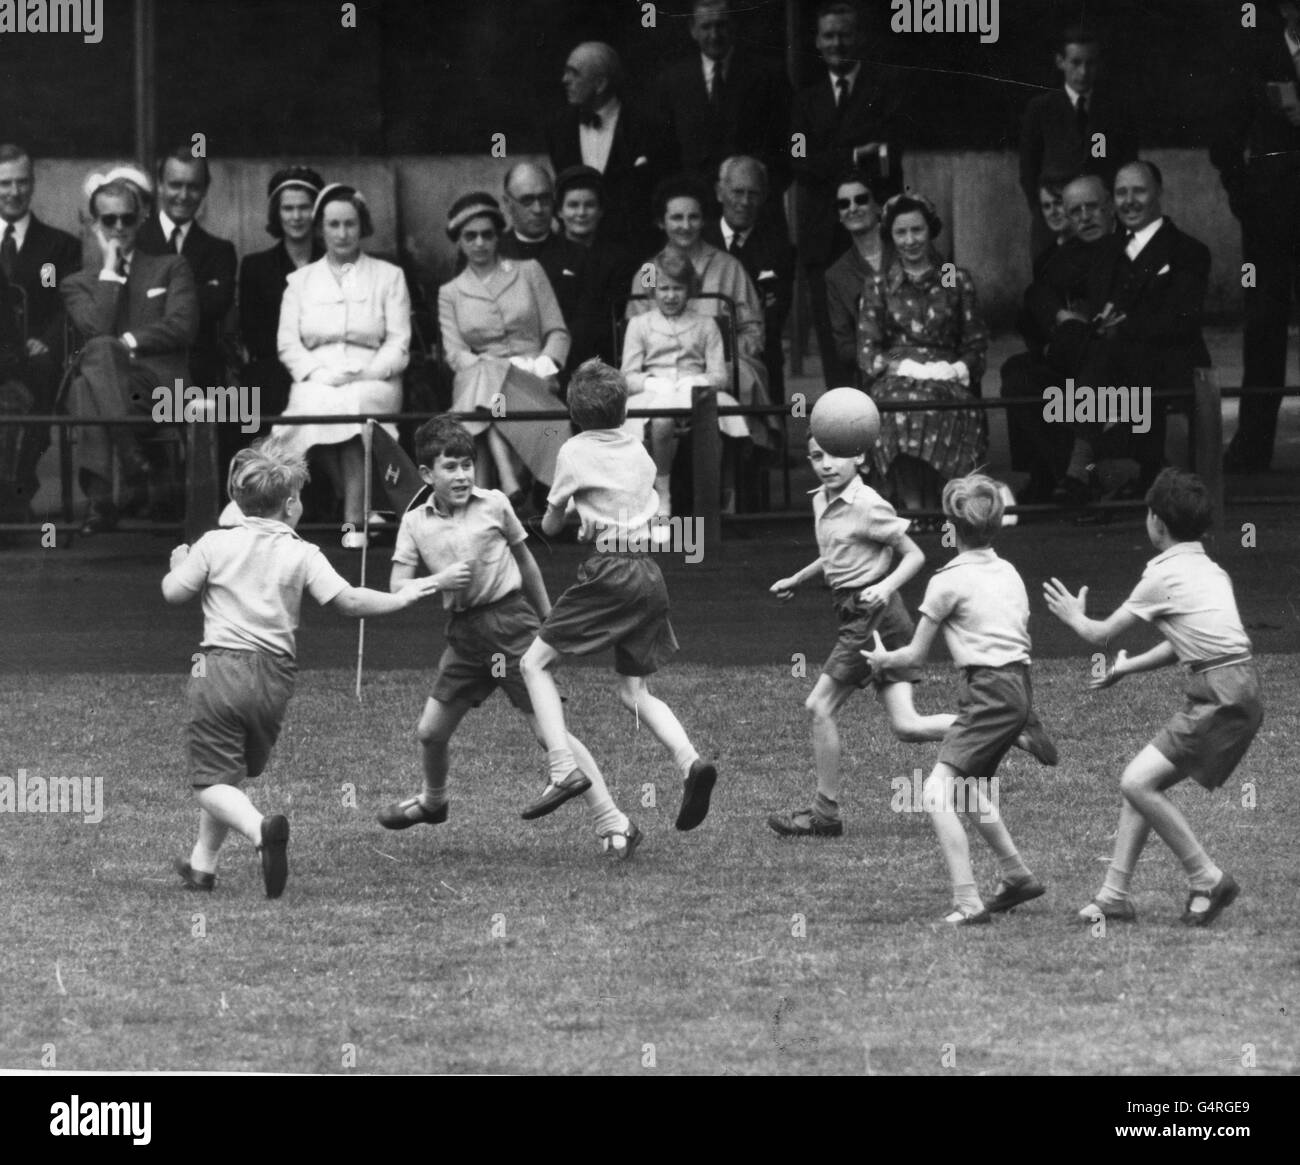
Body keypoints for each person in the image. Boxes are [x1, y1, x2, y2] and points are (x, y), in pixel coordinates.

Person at [161, 438, 441, 898]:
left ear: (238, 500)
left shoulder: (213, 544)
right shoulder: (303, 552)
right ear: (290, 505)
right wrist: (401, 598)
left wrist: (178, 565)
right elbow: (347, 601)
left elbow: (175, 593)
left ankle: (260, 831)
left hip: (219, 672)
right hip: (275, 678)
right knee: (228, 774)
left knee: (210, 782)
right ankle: (202, 866)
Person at [376, 417, 635, 851]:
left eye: (466, 466)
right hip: (465, 636)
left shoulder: (494, 504)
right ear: (426, 474)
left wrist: (550, 619)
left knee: (550, 735)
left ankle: (614, 821)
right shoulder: (415, 523)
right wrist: (437, 582)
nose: (460, 476)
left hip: (512, 625)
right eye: (449, 468)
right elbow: (397, 587)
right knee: (430, 733)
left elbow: (527, 562)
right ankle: (433, 801)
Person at [1044, 469, 1262, 927]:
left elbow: (1100, 634)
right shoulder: (1210, 568)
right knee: (1144, 785)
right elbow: (1188, 641)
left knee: (1136, 783)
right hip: (1234, 687)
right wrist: (1128, 667)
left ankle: (1207, 877)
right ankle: (1113, 897)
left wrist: (1073, 616)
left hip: (1220, 695)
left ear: (1157, 522)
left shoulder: (1161, 575)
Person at [519, 359, 718, 848]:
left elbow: (551, 524)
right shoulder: (641, 450)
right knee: (634, 693)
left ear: (575, 412)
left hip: (609, 568)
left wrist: (559, 518)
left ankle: (563, 767)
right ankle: (690, 760)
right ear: (625, 407)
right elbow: (630, 501)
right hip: (649, 573)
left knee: (532, 664)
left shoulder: (572, 451)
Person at [863, 474, 1055, 924]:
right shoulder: (1009, 572)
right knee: (966, 789)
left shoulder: (947, 581)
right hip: (1017, 688)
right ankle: (1017, 875)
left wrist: (881, 661)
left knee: (934, 793)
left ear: (950, 527)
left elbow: (914, 654)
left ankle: (967, 903)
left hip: (988, 692)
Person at [766, 434, 956, 839]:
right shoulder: (821, 499)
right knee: (907, 726)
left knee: (818, 706)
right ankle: (1004, 725)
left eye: (836, 455)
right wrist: (798, 579)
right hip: (863, 614)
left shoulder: (868, 504)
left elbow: (916, 555)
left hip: (875, 617)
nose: (826, 464)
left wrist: (886, 588)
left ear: (861, 458)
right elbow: (836, 551)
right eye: (816, 455)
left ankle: (824, 814)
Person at [1054, 162, 1212, 512]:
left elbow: (1182, 319)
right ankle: (1086, 475)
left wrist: (1123, 328)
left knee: (1105, 356)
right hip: (1114, 366)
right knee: (1062, 363)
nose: (1129, 201)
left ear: (1158, 193)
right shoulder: (1107, 249)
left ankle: (1080, 472)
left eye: (1138, 191)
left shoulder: (1188, 250)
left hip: (1167, 361)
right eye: (1121, 193)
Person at [273, 184, 410, 549]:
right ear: (322, 230)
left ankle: (352, 518)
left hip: (374, 377)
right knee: (318, 406)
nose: (342, 233)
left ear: (361, 226)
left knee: (354, 407)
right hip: (317, 375)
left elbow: (398, 340)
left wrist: (370, 372)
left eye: (350, 224)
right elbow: (287, 343)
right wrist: (319, 374)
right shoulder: (299, 281)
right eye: (333, 225)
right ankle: (360, 515)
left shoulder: (389, 276)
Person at [60, 177, 198, 535]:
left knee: (94, 369)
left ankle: (100, 502)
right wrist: (109, 269)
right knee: (91, 367)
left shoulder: (171, 266)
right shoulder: (77, 284)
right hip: (119, 395)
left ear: (139, 220)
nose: (119, 226)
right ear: (95, 226)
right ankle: (127, 452)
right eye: (108, 220)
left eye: (126, 218)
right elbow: (95, 329)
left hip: (162, 391)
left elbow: (183, 325)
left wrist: (128, 341)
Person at [791, 1, 907, 389]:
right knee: (834, 343)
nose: (837, 43)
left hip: (874, 234)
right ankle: (843, 427)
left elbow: (890, 160)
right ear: (818, 42)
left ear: (859, 38)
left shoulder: (885, 90)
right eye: (829, 35)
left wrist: (827, 161)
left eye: (844, 34)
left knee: (886, 331)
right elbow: (799, 162)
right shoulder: (804, 100)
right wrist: (855, 155)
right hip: (823, 237)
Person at [857, 194, 987, 524]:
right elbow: (866, 351)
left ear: (930, 231)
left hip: (946, 378)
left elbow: (975, 344)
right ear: (891, 236)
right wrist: (901, 365)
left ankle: (939, 506)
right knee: (896, 407)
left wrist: (958, 368)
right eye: (901, 233)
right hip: (897, 375)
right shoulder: (879, 284)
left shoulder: (955, 279)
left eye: (917, 230)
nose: (910, 240)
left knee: (941, 405)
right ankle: (914, 509)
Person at [438, 191, 570, 507]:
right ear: (459, 241)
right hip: (480, 379)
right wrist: (491, 366)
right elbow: (455, 352)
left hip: (531, 376)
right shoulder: (450, 292)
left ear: (498, 237)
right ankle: (507, 481)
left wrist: (542, 365)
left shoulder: (529, 271)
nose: (480, 243)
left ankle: (484, 497)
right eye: (470, 236)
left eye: (487, 235)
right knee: (484, 375)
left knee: (480, 402)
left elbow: (557, 331)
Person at [1213, 0, 1300, 472]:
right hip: (1270, 216)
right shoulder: (1254, 53)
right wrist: (1243, 195)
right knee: (1264, 327)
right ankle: (1253, 446)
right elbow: (1224, 133)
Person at [627, 175, 772, 449]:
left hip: (721, 365)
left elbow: (753, 331)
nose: (685, 225)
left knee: (744, 379)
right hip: (661, 370)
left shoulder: (728, 267)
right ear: (662, 222)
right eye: (676, 218)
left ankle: (738, 462)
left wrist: (719, 358)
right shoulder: (649, 271)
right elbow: (634, 325)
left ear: (703, 220)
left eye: (693, 217)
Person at [619, 247, 745, 515]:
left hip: (695, 390)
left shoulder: (706, 324)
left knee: (715, 416)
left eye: (678, 288)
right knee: (661, 420)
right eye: (664, 288)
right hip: (654, 392)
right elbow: (626, 377)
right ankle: (662, 493)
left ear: (690, 289)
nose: (671, 296)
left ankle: (716, 498)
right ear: (653, 291)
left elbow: (720, 375)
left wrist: (698, 381)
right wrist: (651, 382)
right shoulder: (639, 324)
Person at [138, 147, 239, 464]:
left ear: (204, 190)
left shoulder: (220, 251)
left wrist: (159, 294)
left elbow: (217, 306)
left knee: (230, 402)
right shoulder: (135, 239)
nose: (183, 195)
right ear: (160, 186)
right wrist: (194, 292)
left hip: (199, 362)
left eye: (193, 186)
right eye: (175, 185)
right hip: (143, 359)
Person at [0, 144, 81, 520]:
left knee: (36, 378)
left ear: (32, 185)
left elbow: (69, 305)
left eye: (21, 182)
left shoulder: (60, 245)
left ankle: (15, 490)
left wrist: (45, 341)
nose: (14, 191)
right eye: (4, 183)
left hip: (35, 357)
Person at [654, 0, 792, 220]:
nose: (714, 34)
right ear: (692, 29)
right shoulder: (672, 82)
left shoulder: (767, 76)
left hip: (755, 211)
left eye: (721, 25)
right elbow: (664, 153)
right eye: (706, 27)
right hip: (697, 214)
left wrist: (763, 190)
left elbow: (788, 142)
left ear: (733, 25)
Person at [1018, 25, 1138, 263]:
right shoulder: (1041, 110)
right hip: (1055, 230)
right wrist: (1050, 215)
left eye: (1090, 63)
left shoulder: (1115, 111)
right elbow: (1029, 171)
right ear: (1060, 61)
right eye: (1075, 62)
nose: (1083, 72)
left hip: (1102, 228)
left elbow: (1127, 170)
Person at [546, 41, 663, 255]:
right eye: (565, 72)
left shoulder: (646, 126)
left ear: (600, 84)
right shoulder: (559, 128)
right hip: (575, 251)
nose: (565, 80)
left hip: (633, 251)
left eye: (574, 74)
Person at [238, 166, 325, 434]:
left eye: (304, 207)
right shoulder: (255, 266)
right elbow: (254, 335)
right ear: (277, 212)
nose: (296, 216)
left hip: (327, 365)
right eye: (288, 208)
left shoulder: (334, 262)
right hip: (275, 367)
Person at [702, 156, 795, 403]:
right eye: (737, 192)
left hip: (759, 352)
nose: (744, 202)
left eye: (753, 193)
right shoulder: (699, 240)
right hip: (701, 352)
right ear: (720, 192)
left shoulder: (779, 249)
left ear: (764, 196)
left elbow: (777, 311)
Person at [553, 164, 636, 368]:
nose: (581, 213)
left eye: (589, 205)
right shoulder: (548, 256)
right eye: (573, 205)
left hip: (605, 359)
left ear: (600, 211)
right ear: (560, 212)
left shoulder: (620, 259)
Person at [498, 162, 589, 341]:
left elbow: (585, 328)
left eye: (545, 198)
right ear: (508, 203)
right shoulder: (490, 255)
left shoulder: (580, 256)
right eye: (527, 201)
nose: (538, 209)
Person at [823, 169, 888, 388]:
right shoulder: (836, 275)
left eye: (860, 200)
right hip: (874, 371)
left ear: (877, 206)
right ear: (840, 216)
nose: (852, 208)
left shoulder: (907, 250)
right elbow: (844, 346)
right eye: (844, 204)